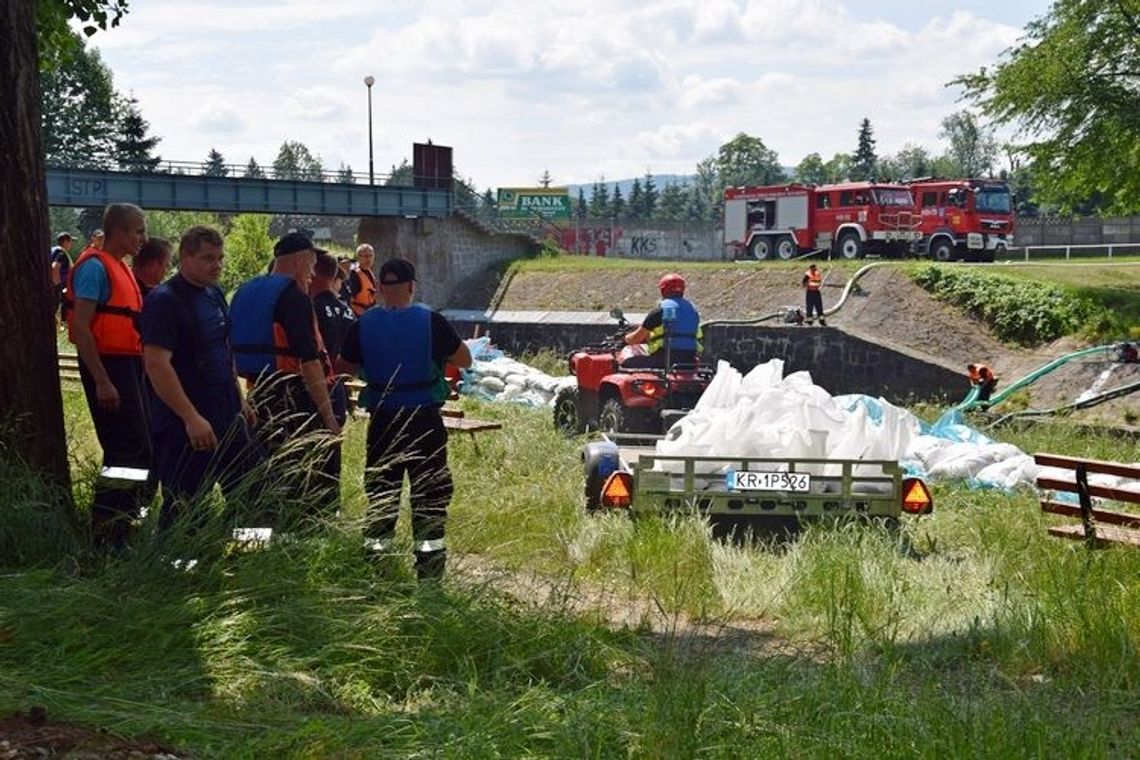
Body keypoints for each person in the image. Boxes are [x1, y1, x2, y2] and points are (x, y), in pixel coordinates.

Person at [337, 257, 472, 581]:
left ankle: (375, 571)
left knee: (382, 497)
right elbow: (464, 358)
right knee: (429, 497)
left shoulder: (363, 324)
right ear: (412, 287)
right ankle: (429, 576)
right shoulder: (431, 321)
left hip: (384, 421)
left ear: (380, 289)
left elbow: (343, 367)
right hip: (424, 421)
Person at [141, 226, 262, 536]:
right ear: (185, 256)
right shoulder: (164, 300)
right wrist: (190, 417)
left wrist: (240, 399)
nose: (217, 265)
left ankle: (246, 562)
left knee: (251, 490)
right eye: (208, 258)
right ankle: (179, 573)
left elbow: (224, 349)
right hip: (186, 422)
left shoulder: (214, 294)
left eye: (220, 258)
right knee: (186, 503)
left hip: (227, 412)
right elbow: (156, 364)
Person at [229, 232, 341, 525]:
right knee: (303, 475)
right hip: (292, 396)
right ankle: (302, 535)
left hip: (255, 392)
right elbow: (309, 361)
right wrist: (328, 417)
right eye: (312, 263)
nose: (313, 271)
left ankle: (261, 535)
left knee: (264, 471)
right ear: (298, 260)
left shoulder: (244, 291)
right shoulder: (294, 297)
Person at [65, 203, 151, 552]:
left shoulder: (122, 268)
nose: (142, 238)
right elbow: (81, 328)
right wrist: (102, 380)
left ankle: (124, 525)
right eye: (137, 231)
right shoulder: (95, 268)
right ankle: (106, 533)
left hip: (128, 364)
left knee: (140, 447)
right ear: (116, 231)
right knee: (124, 449)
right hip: (108, 366)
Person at [309, 250, 356, 508]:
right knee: (330, 454)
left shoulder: (307, 307)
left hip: (310, 386)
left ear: (314, 273)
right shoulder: (347, 312)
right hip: (337, 387)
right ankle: (329, 511)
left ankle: (297, 518)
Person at [621, 273, 701, 369]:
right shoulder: (693, 310)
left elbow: (635, 339)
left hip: (665, 360)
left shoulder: (660, 311)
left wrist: (625, 338)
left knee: (626, 362)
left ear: (663, 290)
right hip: (690, 359)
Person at [346, 243, 378, 316]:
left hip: (368, 312)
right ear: (359, 258)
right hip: (358, 314)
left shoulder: (368, 271)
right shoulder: (354, 275)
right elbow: (349, 298)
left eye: (371, 256)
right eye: (366, 256)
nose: (369, 259)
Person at [49, 232, 74, 317]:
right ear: (66, 242)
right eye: (71, 241)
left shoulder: (52, 250)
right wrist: (58, 286)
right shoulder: (61, 254)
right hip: (58, 287)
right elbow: (54, 267)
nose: (72, 244)